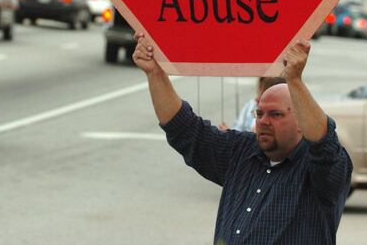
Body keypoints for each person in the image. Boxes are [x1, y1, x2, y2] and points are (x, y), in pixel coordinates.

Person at [133, 33, 352, 244]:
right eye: (259, 113)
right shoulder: (241, 152)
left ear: (301, 124)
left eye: (276, 114)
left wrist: (294, 79)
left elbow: (324, 145)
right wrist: (154, 74)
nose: (263, 121)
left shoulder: (322, 173)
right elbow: (184, 129)